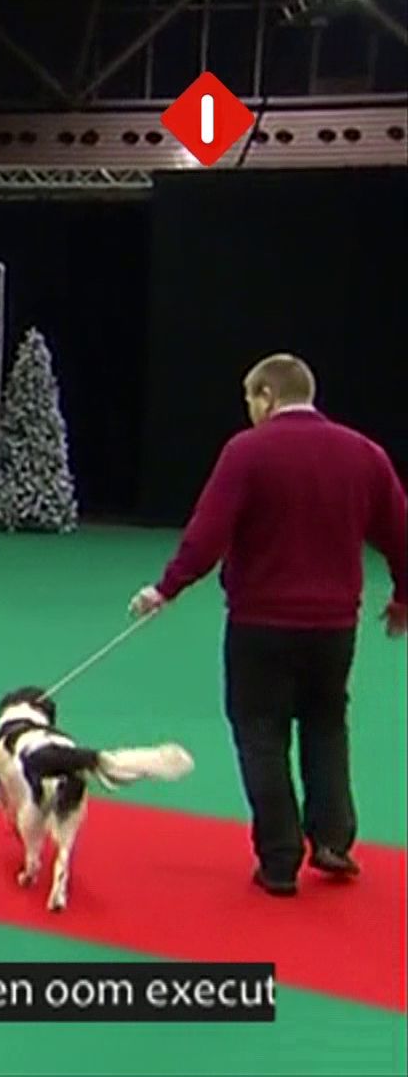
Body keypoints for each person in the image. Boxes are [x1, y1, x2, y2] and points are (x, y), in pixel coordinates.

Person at [129, 353, 406, 898]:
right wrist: (403, 596)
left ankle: (279, 860)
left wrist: (166, 588)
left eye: (250, 400)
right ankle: (333, 839)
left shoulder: (247, 451)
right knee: (326, 724)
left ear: (266, 397)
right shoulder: (363, 453)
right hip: (334, 627)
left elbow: (207, 534)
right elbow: (399, 530)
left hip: (260, 623)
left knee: (260, 732)